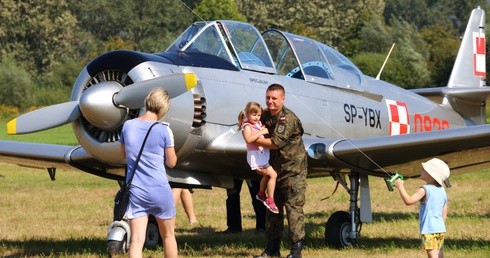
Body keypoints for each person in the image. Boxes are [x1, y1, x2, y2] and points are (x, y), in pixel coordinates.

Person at [119, 88, 178, 258]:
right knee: (168, 236)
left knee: (136, 241)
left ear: (147, 102)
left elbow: (124, 155)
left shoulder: (128, 126)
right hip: (160, 189)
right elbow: (171, 162)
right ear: (164, 109)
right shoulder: (165, 130)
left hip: (137, 190)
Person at [253, 83, 308, 258]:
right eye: (268, 98)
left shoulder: (288, 118)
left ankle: (296, 251)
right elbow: (249, 122)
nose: (270, 102)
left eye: (274, 98)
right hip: (274, 172)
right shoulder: (266, 115)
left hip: (293, 171)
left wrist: (252, 140)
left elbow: (275, 143)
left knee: (294, 210)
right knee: (273, 210)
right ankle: (272, 249)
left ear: (282, 99)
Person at [394, 158, 450, 258]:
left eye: (424, 169)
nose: (422, 169)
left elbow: (409, 201)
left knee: (432, 255)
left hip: (429, 229)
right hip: (440, 228)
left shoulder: (424, 189)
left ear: (431, 174)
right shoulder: (442, 190)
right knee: (439, 253)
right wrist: (441, 223)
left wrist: (400, 186)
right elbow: (444, 208)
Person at [238, 102, 279, 214]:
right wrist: (261, 132)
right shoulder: (247, 126)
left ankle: (261, 194)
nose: (257, 117)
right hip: (256, 155)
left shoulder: (257, 124)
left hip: (262, 154)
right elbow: (249, 139)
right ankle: (270, 200)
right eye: (254, 115)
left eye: (259, 115)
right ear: (247, 114)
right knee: (273, 175)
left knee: (268, 175)